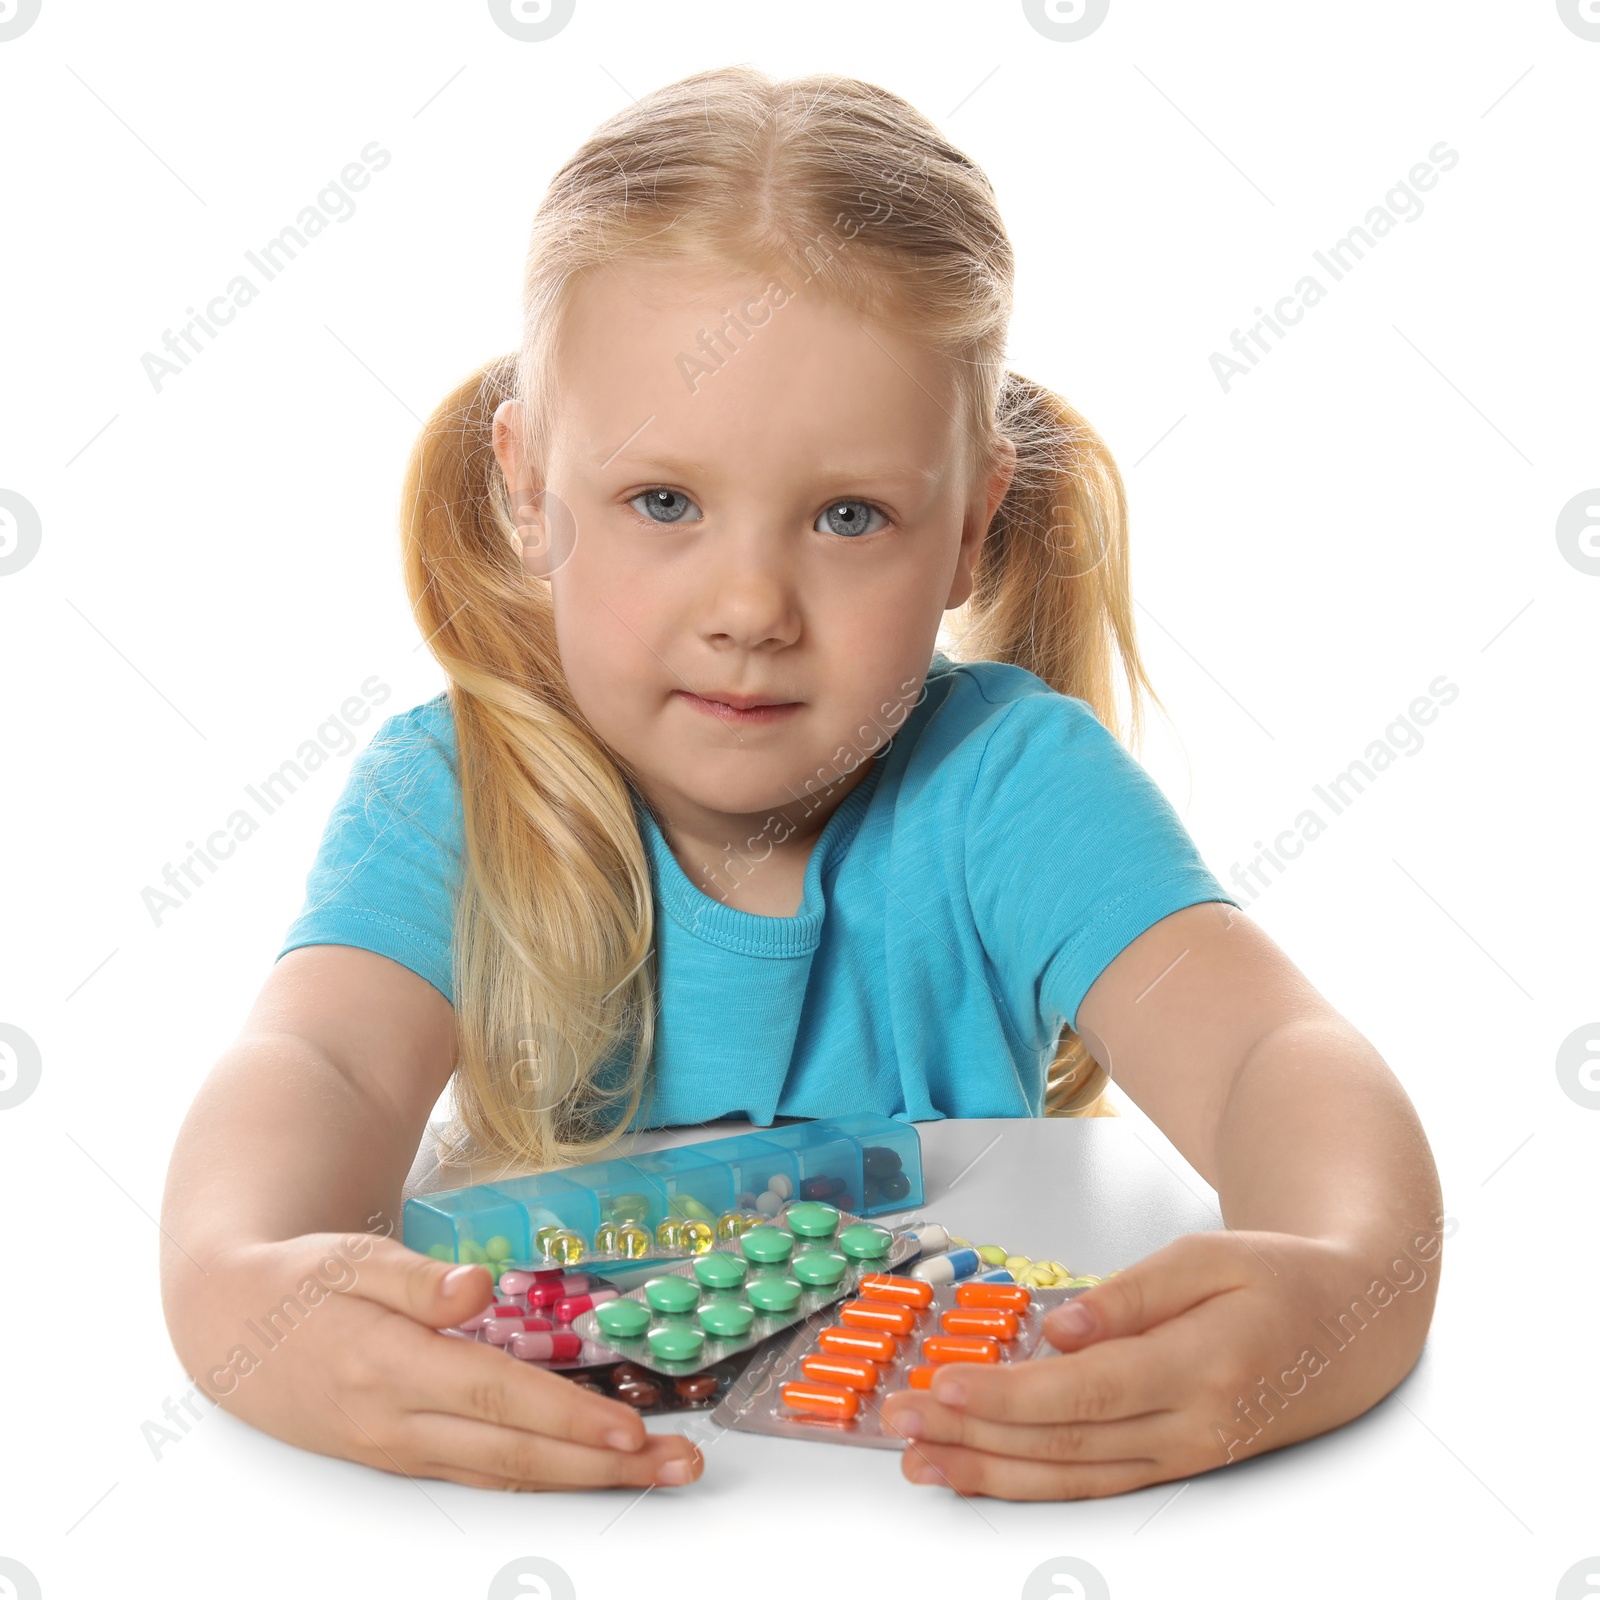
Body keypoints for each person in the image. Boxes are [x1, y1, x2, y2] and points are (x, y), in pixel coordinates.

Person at [159, 65, 1442, 1500]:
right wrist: (238, 1292)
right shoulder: (457, 795)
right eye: (665, 502)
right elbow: (317, 1063)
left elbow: (1276, 1055)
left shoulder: (1012, 788)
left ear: (968, 531)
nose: (753, 604)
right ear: (530, 490)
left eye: (849, 516)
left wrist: (1340, 1288)